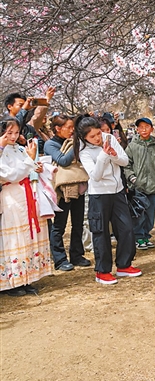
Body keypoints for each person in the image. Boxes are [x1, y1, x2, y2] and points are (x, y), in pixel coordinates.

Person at [74, 116, 142, 285]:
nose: (98, 138)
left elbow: (124, 160)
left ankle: (124, 265)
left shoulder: (109, 138)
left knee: (126, 228)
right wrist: (104, 156)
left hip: (118, 190)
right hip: (99, 194)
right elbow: (95, 176)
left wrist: (113, 155)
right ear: (84, 138)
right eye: (92, 136)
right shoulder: (84, 151)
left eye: (98, 133)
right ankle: (102, 271)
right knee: (101, 232)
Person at [0, 117, 52, 296]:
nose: (13, 136)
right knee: (14, 237)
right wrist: (29, 163)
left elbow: (26, 168)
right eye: (9, 132)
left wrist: (34, 166)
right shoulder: (2, 151)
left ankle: (27, 277)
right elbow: (10, 175)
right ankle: (12, 282)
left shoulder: (19, 149)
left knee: (27, 236)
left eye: (16, 132)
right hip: (10, 197)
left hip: (26, 194)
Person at [44, 115, 91, 271]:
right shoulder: (50, 144)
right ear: (58, 128)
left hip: (78, 186)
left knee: (78, 223)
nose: (72, 131)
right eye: (69, 127)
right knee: (59, 226)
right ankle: (59, 259)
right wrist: (76, 143)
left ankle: (76, 255)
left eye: (73, 128)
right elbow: (63, 160)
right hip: (61, 189)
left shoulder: (72, 141)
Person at [124, 117, 155, 250]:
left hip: (153, 186)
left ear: (152, 129)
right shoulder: (132, 146)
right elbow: (126, 165)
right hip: (138, 186)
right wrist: (132, 178)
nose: (143, 129)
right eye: (141, 127)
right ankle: (139, 237)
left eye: (146, 126)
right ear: (137, 129)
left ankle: (146, 235)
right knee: (138, 213)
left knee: (150, 214)